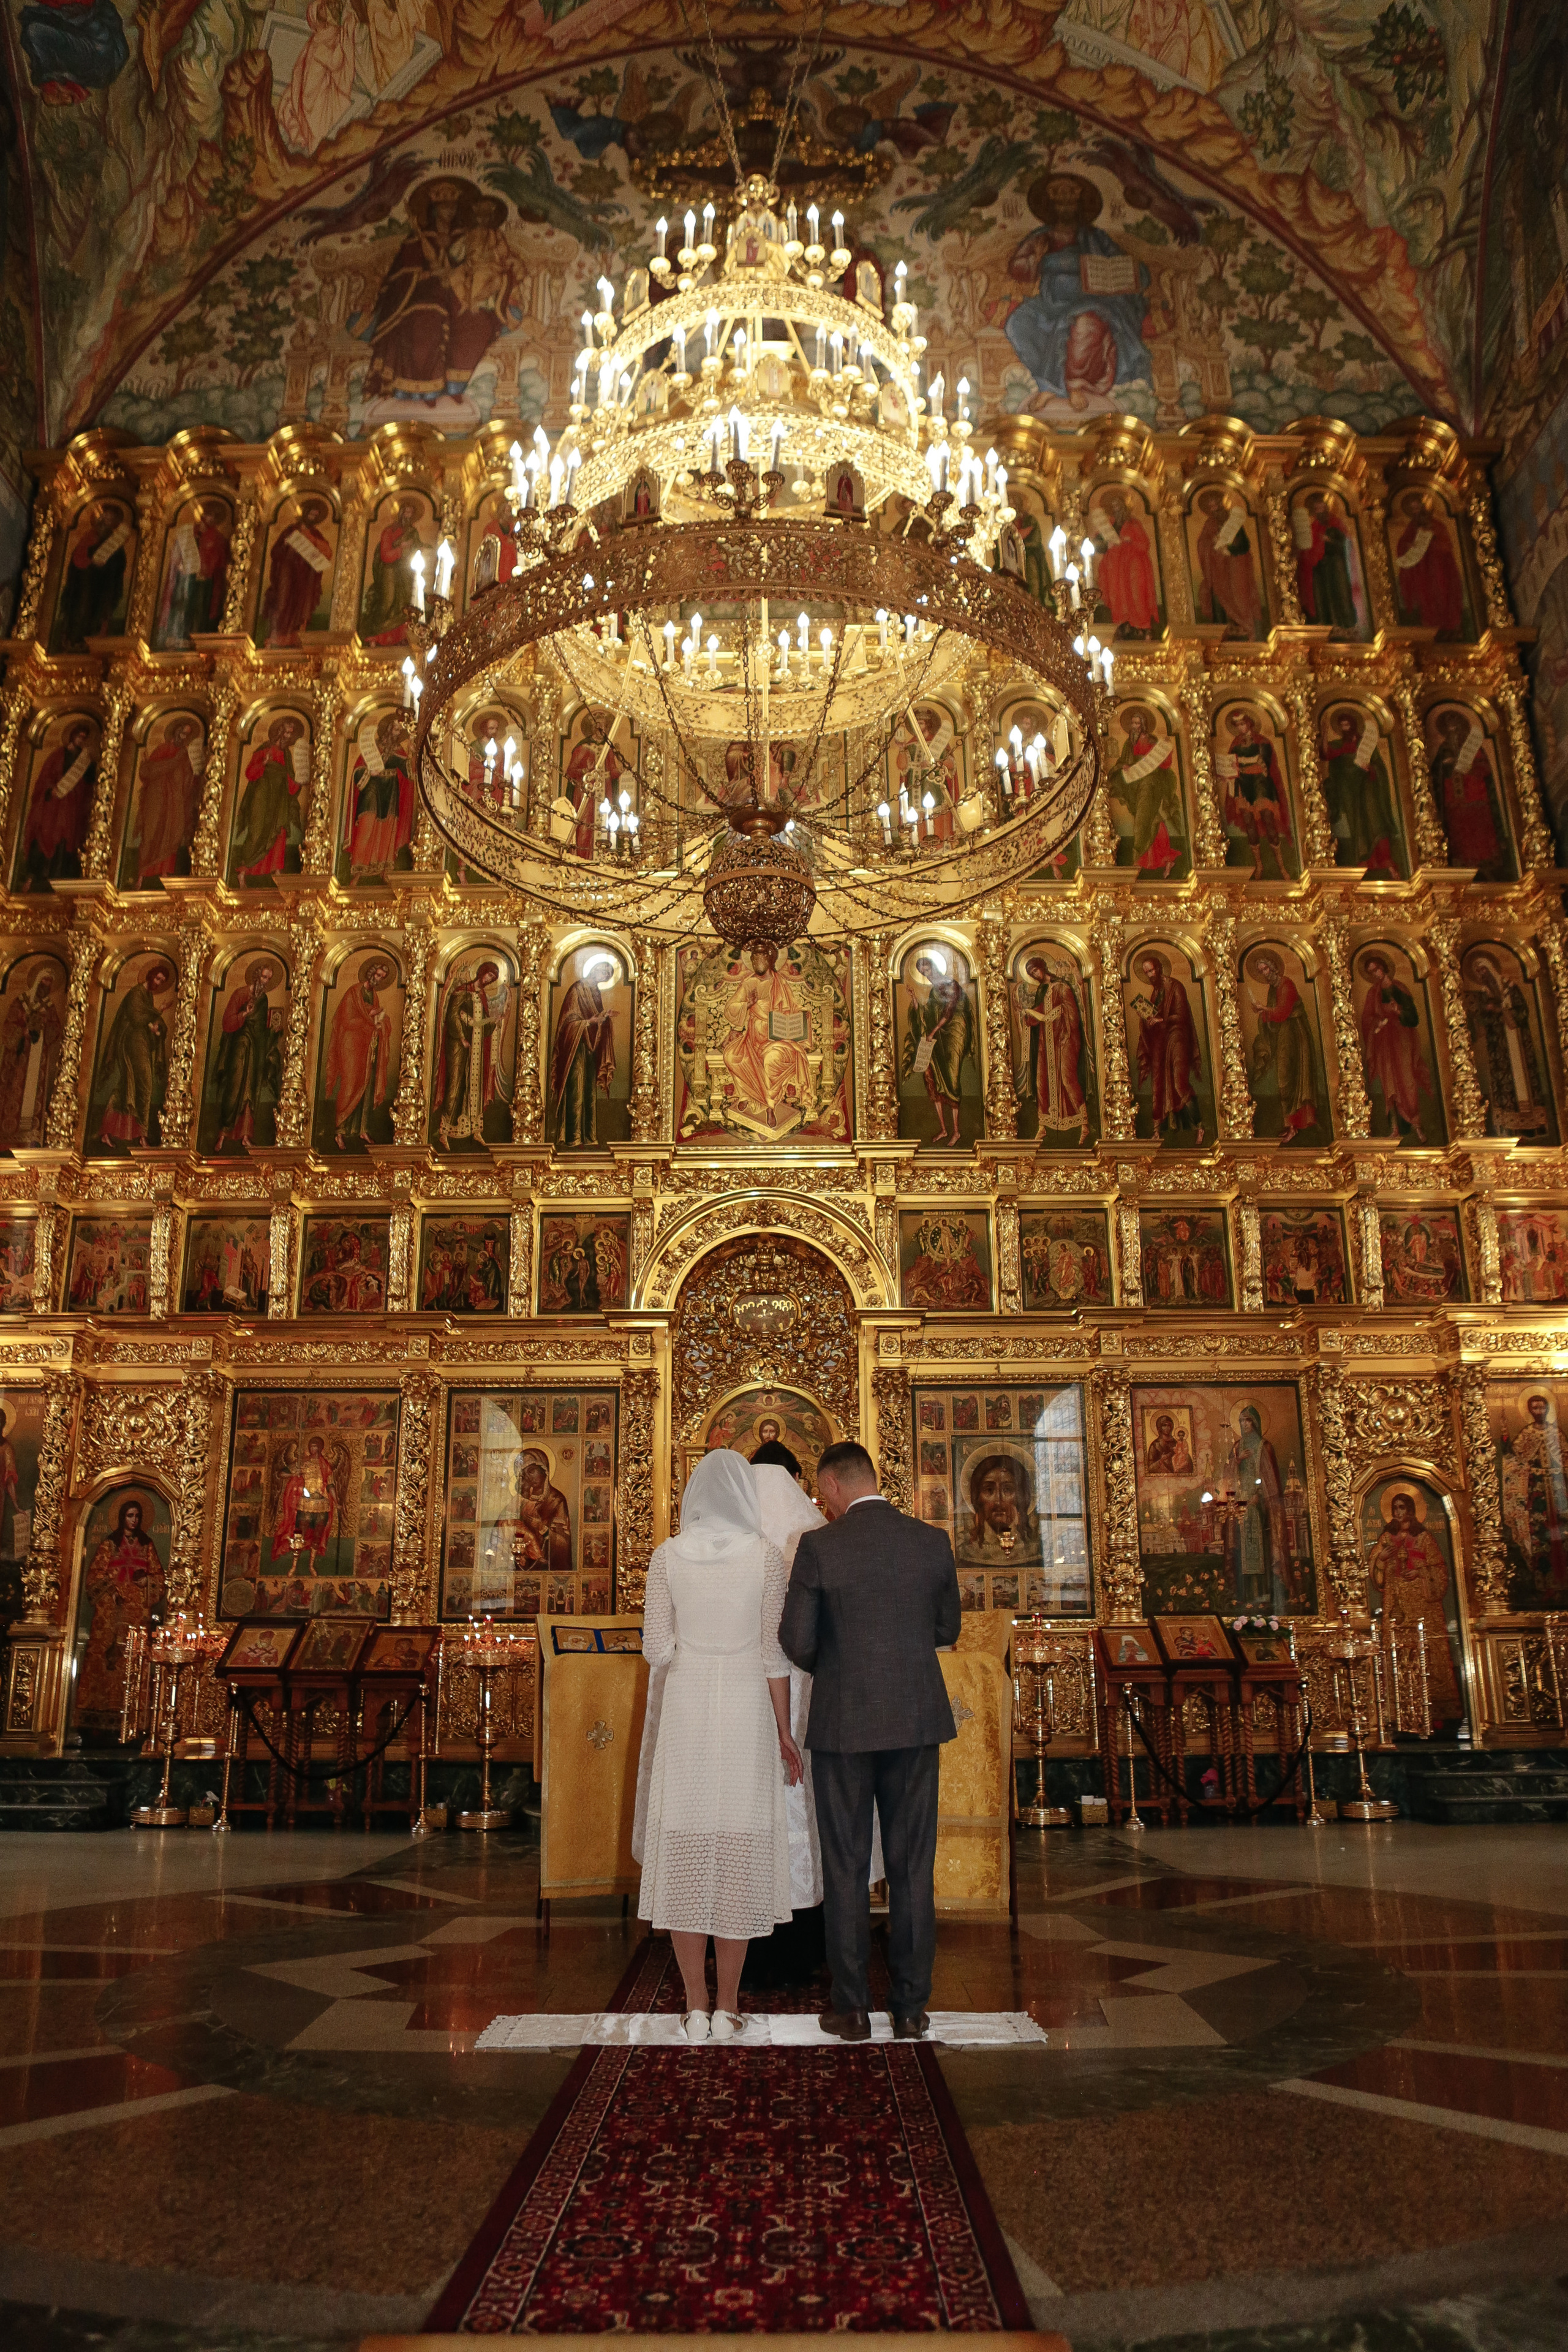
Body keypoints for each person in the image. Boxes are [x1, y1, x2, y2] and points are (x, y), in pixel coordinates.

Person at [779, 1439, 962, 2043]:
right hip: (914, 1721)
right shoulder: (930, 1542)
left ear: (831, 1486)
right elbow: (946, 1628)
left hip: (843, 1724)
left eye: (820, 1492)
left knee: (846, 1864)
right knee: (912, 1868)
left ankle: (852, 2008)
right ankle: (910, 2010)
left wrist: (841, 1662)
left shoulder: (819, 1546)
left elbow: (796, 1642)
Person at [632, 1452, 801, 2042]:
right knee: (737, 1847)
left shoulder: (665, 1556)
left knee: (685, 1843)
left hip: (687, 1708)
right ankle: (730, 2004)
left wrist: (693, 1651)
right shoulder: (765, 1558)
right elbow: (775, 1656)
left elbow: (655, 1649)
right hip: (749, 1710)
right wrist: (785, 1732)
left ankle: (694, 2005)